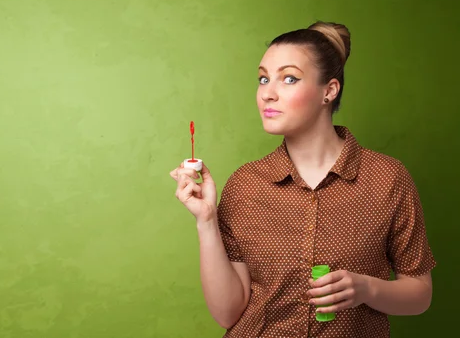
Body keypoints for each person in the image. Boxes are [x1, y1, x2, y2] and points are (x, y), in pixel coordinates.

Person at [169, 21, 436, 337]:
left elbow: (420, 293)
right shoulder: (245, 184)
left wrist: (366, 289)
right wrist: (206, 220)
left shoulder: (386, 178)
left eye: (289, 78)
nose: (267, 93)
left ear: (329, 90)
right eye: (263, 78)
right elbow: (228, 313)